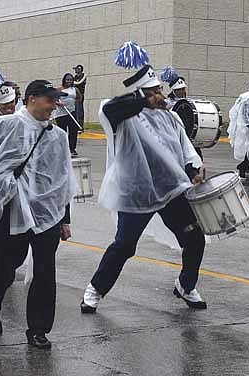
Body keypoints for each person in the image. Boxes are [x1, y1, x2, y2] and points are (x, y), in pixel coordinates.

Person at [80, 42, 207, 314]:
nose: (160, 95)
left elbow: (185, 148)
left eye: (160, 90)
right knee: (124, 246)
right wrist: (141, 101)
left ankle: (186, 285)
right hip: (136, 192)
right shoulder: (123, 117)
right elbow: (108, 109)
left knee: (194, 238)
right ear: (139, 93)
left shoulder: (170, 117)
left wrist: (194, 170)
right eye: (154, 91)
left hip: (172, 190)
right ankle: (95, 290)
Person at [0, 79, 76, 349]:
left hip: (47, 216)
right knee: (6, 266)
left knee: (44, 272)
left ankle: (38, 330)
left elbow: (61, 179)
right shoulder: (3, 127)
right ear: (32, 99)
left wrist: (65, 218)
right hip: (13, 212)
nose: (54, 106)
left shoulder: (57, 136)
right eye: (50, 100)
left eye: (56, 100)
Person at [55, 73, 82, 157]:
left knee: (73, 130)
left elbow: (79, 97)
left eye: (70, 79)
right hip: (61, 114)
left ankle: (72, 149)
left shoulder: (75, 89)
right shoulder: (59, 89)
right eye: (67, 79)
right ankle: (62, 149)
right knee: (62, 132)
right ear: (64, 80)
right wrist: (59, 104)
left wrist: (73, 103)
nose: (69, 81)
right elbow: (53, 99)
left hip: (72, 112)